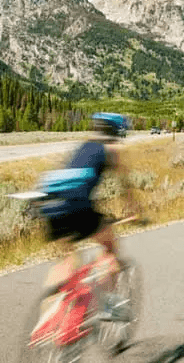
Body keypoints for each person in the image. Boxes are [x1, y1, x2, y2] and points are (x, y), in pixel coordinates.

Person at [42, 112, 138, 291]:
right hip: (78, 207)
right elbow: (125, 187)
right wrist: (134, 211)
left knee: (68, 262)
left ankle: (49, 310)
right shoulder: (111, 149)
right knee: (110, 248)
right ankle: (110, 305)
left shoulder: (83, 146)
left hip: (53, 207)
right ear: (117, 132)